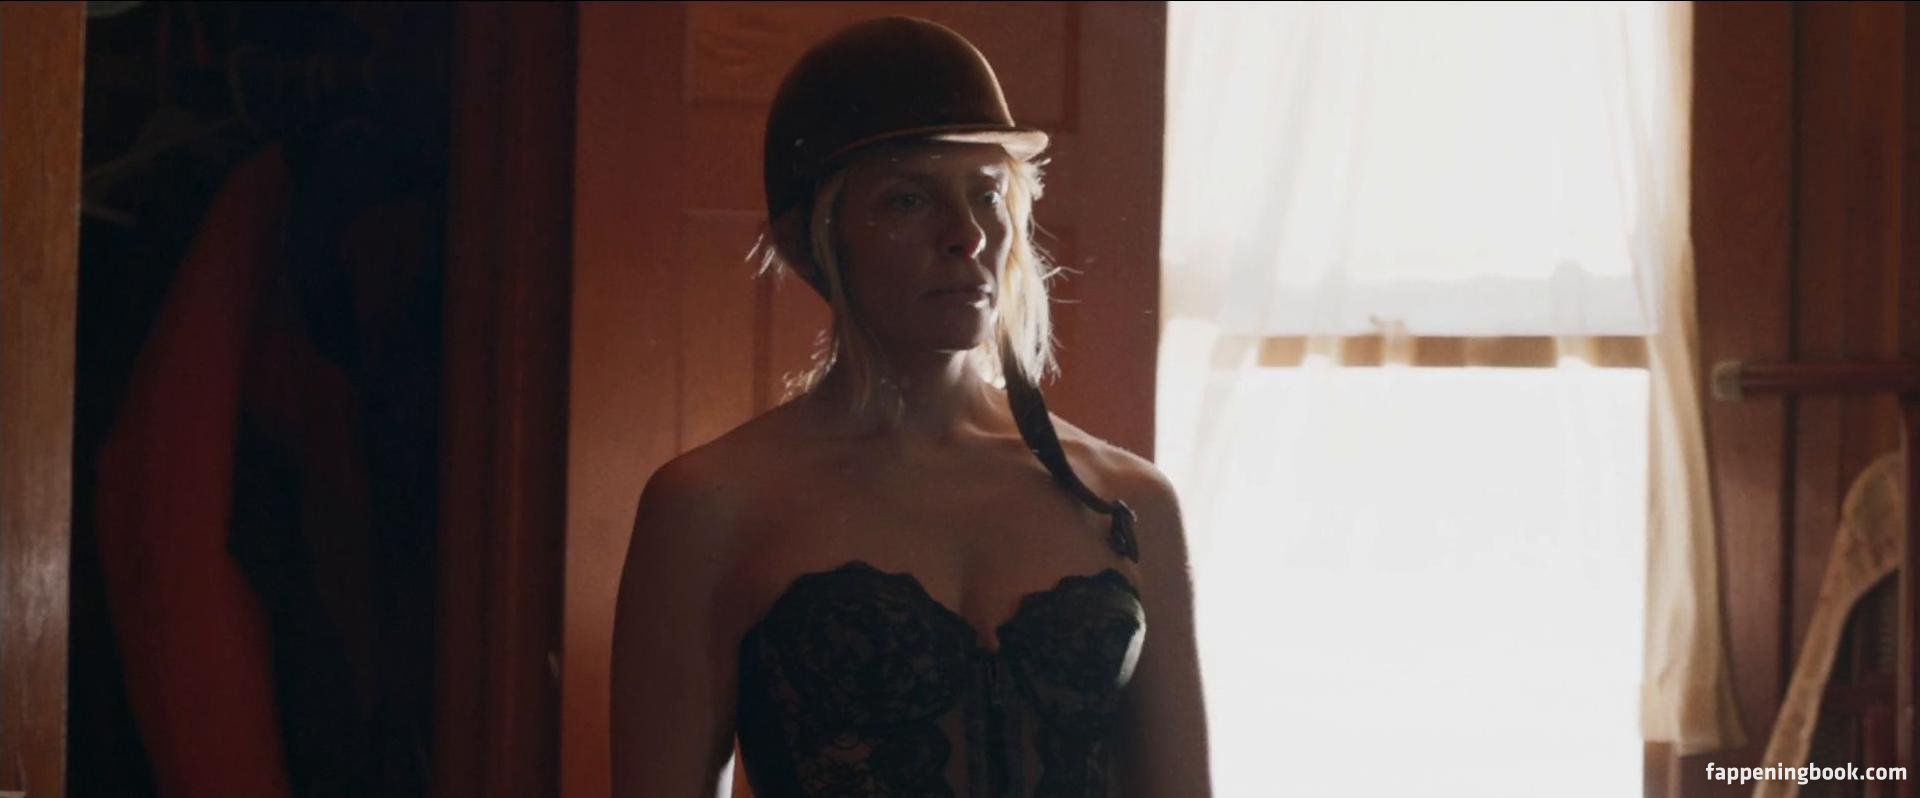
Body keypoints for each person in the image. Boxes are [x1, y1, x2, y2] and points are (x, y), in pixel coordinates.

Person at [611, 17, 1211, 797]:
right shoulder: (710, 506)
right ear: (811, 241)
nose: (966, 235)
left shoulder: (1127, 502)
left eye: (987, 194)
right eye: (907, 199)